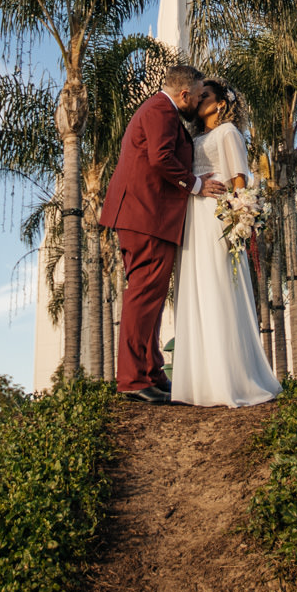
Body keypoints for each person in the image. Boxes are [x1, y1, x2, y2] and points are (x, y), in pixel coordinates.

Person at [98, 63, 219, 403]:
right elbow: (160, 158)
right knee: (143, 295)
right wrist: (196, 185)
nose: (197, 102)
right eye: (197, 95)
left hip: (147, 216)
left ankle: (150, 372)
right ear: (184, 94)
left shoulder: (161, 111)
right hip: (145, 216)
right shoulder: (160, 111)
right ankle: (134, 380)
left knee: (149, 297)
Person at [169, 78, 282, 408]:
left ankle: (230, 379)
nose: (199, 99)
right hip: (195, 216)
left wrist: (239, 215)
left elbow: (239, 179)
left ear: (221, 103)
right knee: (198, 289)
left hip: (217, 216)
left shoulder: (229, 132)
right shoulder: (196, 136)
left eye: (205, 95)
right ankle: (199, 382)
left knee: (219, 287)